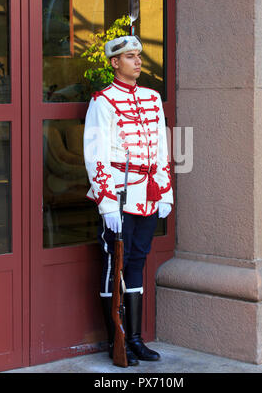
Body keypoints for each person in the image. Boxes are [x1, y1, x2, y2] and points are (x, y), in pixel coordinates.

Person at [83, 35, 173, 366]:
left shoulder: (152, 98)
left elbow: (161, 150)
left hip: (147, 195)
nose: (138, 61)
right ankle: (116, 340)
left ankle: (135, 339)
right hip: (118, 197)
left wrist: (165, 191)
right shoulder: (103, 101)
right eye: (130, 56)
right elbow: (95, 155)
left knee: (137, 262)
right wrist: (106, 203)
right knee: (113, 266)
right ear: (114, 63)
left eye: (139, 55)